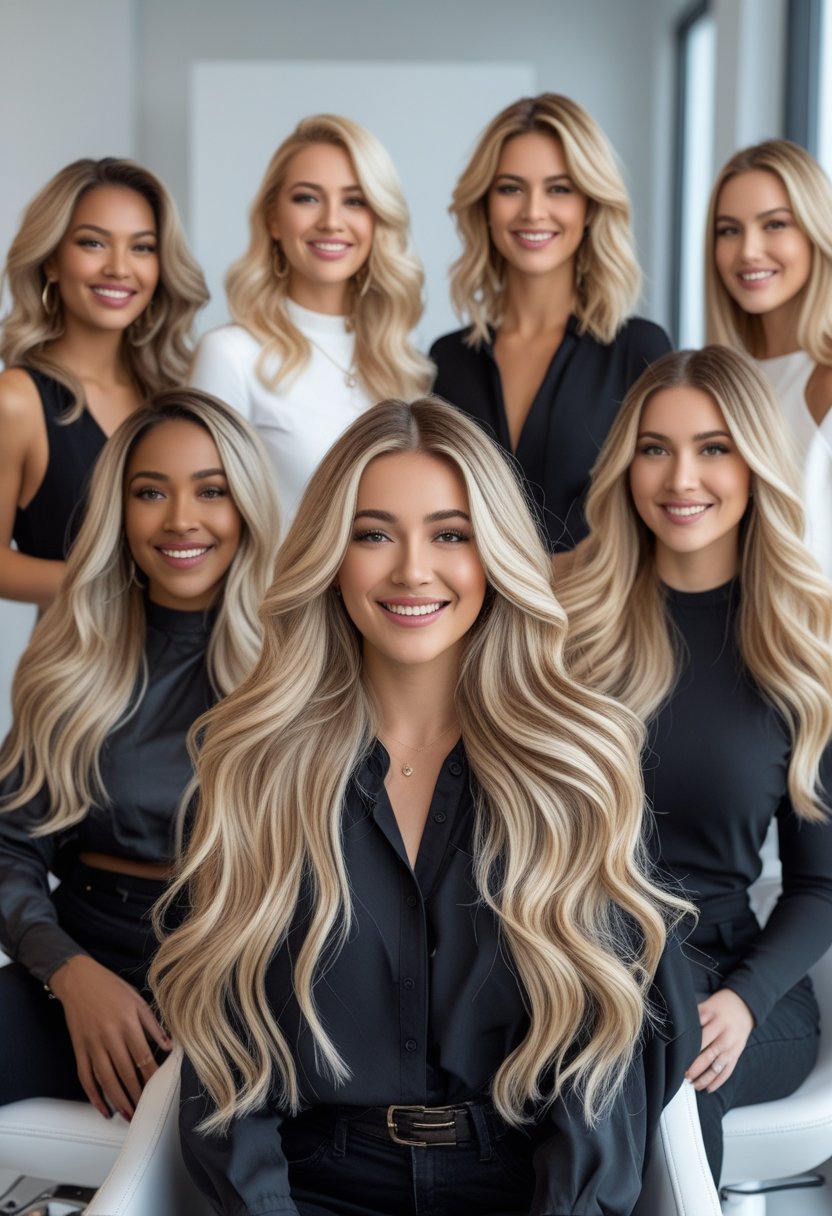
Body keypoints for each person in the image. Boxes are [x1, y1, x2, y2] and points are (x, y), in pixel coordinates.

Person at [152, 397, 698, 1216]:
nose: (413, 570)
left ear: (496, 554)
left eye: (450, 534)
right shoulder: (254, 763)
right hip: (316, 1190)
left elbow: (603, 1066)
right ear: (333, 557)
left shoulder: (574, 765)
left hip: (519, 1187)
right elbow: (226, 1061)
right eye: (374, 535)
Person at [557, 346, 832, 1184]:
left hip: (731, 977)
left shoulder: (803, 643)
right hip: (577, 957)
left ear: (753, 460)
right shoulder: (564, 621)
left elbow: (821, 886)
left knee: (660, 1072)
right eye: (655, 448)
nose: (682, 477)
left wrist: (746, 1002)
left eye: (713, 447)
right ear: (626, 465)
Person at [0, 389, 279, 1123]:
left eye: (211, 491)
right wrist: (70, 974)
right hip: (86, 948)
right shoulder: (71, 657)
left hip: (245, 976)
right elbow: (9, 848)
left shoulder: (304, 661)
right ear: (119, 513)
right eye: (150, 492)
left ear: (245, 504)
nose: (181, 519)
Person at [430, 93, 671, 554]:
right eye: (511, 188)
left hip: (595, 621)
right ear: (484, 205)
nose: (533, 211)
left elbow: (662, 513)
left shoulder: (639, 350)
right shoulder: (447, 359)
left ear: (590, 207)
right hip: (471, 623)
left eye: (559, 188)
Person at [189, 114, 433, 528]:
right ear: (273, 219)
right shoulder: (230, 356)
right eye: (307, 198)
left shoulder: (404, 362)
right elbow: (199, 518)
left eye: (355, 201)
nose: (331, 221)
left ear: (377, 220)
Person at [0, 158, 209, 608]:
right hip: (77, 669)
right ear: (52, 261)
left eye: (142, 247)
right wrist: (125, 581)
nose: (119, 268)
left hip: (191, 659)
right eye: (93, 243)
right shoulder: (16, 400)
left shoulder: (173, 392)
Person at [706, 138, 832, 576]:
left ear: (816, 231)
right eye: (729, 230)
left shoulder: (825, 381)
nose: (749, 251)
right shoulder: (714, 383)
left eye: (775, 225)